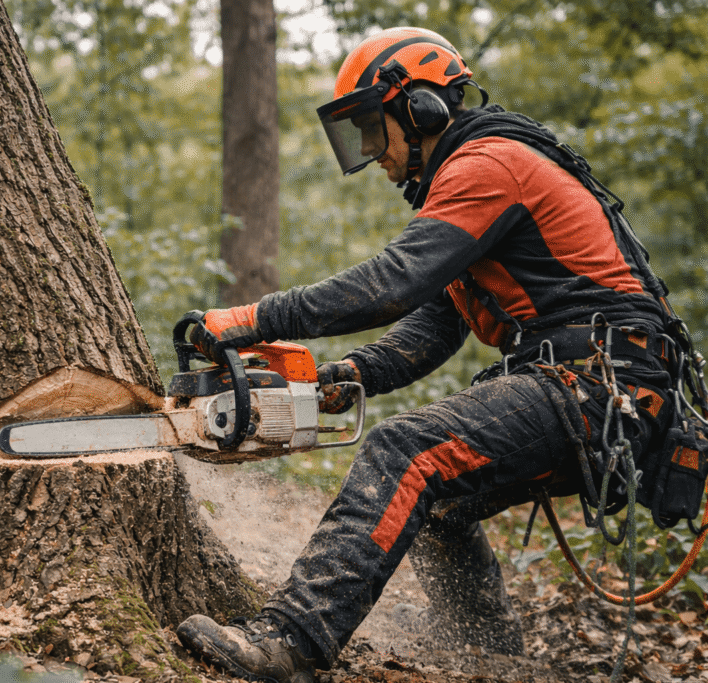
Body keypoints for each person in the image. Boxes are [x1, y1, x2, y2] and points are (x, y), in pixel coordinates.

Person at [174, 26, 695, 683]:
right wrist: (348, 375)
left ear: (419, 107)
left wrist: (252, 320)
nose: (372, 154)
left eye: (371, 127)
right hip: (591, 380)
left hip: (604, 378)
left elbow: (390, 284)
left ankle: (289, 640)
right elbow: (430, 330)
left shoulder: (487, 164)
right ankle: (487, 655)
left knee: (405, 450)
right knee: (441, 501)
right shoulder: (472, 192)